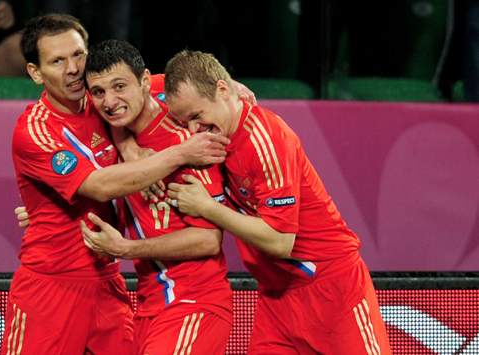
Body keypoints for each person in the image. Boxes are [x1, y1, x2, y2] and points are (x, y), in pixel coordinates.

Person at [3, 15, 229, 354]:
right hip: (51, 286)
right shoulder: (35, 130)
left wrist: (230, 86)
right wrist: (177, 155)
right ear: (36, 73)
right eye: (57, 61)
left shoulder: (103, 100)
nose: (73, 68)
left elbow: (150, 80)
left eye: (78, 54)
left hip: (110, 283)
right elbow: (99, 186)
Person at [164, 50, 392, 355]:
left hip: (332, 289)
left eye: (196, 116)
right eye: (184, 121)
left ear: (220, 91)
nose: (192, 130)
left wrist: (207, 208)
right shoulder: (215, 127)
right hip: (276, 297)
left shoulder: (266, 139)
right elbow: (141, 84)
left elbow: (280, 241)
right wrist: (232, 83)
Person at [78, 39, 232, 355]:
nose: (109, 101)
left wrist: (127, 249)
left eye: (120, 86)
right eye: (99, 92)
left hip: (194, 302)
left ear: (146, 81)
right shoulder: (107, 134)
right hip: (149, 306)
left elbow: (208, 240)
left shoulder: (190, 140)